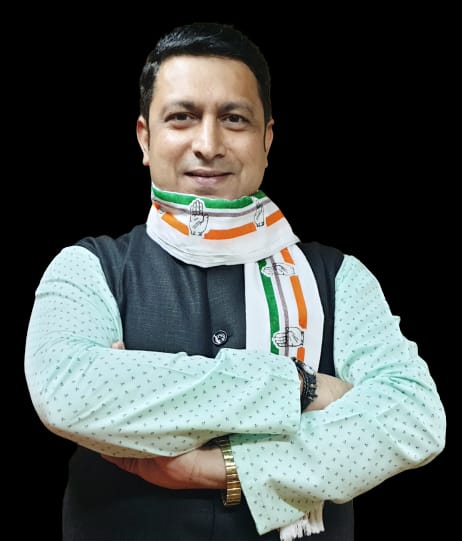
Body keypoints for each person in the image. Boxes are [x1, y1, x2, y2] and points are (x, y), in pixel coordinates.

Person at [24, 21, 446, 541]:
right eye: (182, 117)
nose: (208, 144)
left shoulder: (339, 278)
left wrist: (221, 468)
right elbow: (68, 393)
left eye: (234, 119)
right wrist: (301, 388)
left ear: (267, 139)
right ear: (145, 138)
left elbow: (414, 418)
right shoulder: (88, 269)